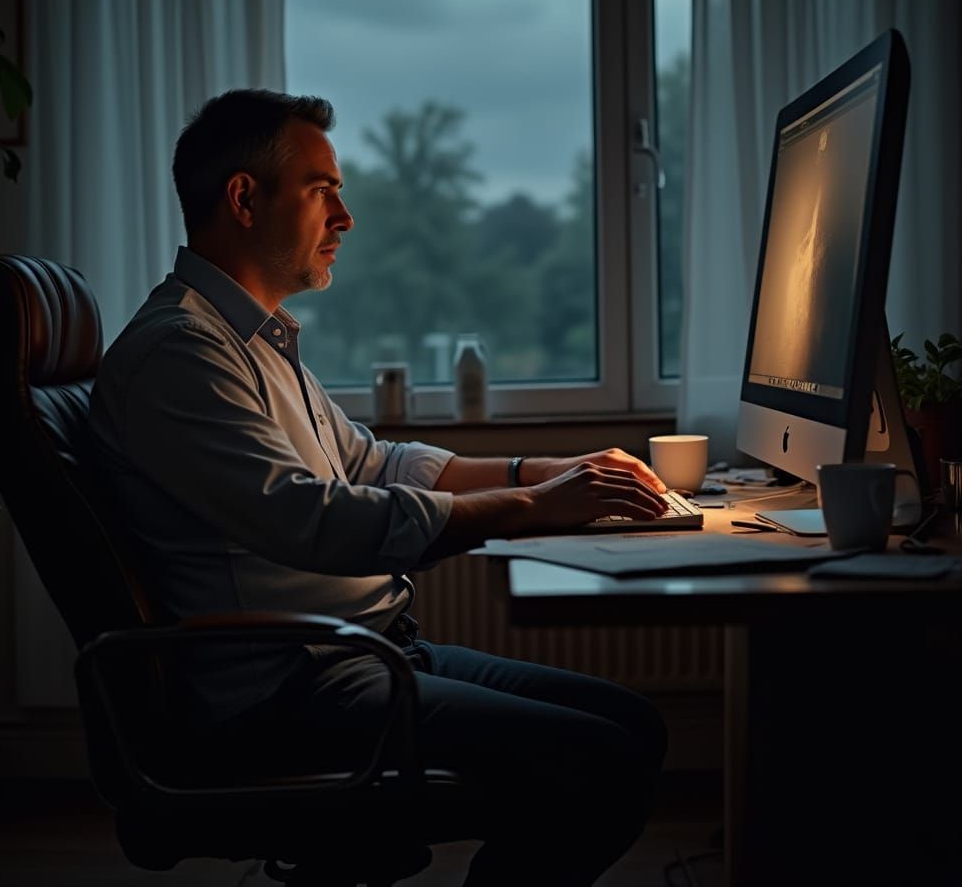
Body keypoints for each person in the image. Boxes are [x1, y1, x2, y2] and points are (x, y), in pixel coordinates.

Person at [89, 90, 670, 885]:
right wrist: (532, 510)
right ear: (245, 198)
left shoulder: (247, 338)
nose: (346, 217)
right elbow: (313, 523)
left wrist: (552, 473)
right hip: (285, 691)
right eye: (323, 189)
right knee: (602, 761)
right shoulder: (180, 356)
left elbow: (371, 464)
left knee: (633, 725)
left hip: (359, 655)